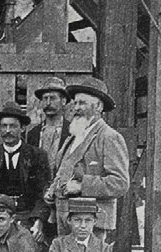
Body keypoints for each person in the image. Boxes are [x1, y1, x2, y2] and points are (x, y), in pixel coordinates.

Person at [45, 76, 130, 242]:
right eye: (75, 103)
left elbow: (120, 183)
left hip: (91, 222)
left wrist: (81, 186)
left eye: (82, 103)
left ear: (98, 106)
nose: (76, 108)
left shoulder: (109, 137)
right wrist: (52, 190)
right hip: (65, 219)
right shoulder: (74, 135)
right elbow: (63, 170)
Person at [0, 101, 51, 251]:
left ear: (22, 128)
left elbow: (43, 193)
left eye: (13, 126)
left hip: (26, 215)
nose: (7, 131)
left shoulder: (37, 156)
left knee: (34, 247)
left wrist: (38, 221)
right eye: (4, 126)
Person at [26, 77, 71, 176]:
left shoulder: (72, 132)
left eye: (53, 98)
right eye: (45, 98)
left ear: (63, 101)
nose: (48, 103)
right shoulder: (32, 134)